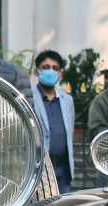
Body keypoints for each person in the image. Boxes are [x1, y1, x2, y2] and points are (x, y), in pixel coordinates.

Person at [29, 50, 75, 193]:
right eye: (45, 67)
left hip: (63, 170)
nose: (50, 71)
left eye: (55, 68)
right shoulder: (28, 98)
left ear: (60, 74)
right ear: (37, 72)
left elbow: (70, 129)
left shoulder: (67, 100)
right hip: (39, 170)